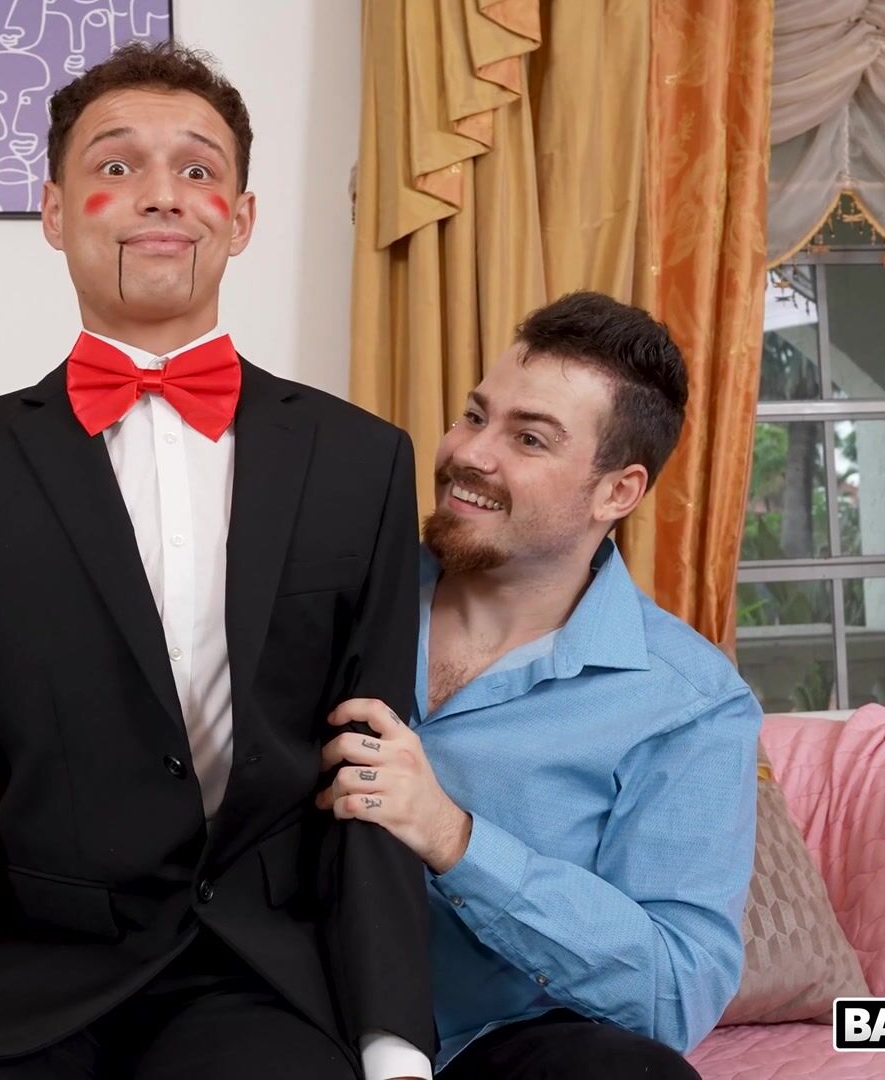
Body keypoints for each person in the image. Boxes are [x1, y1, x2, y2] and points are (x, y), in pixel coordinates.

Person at [0, 42, 435, 1080]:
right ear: (54, 213)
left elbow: (371, 773)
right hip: (27, 973)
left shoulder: (364, 462)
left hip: (255, 978)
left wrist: (393, 1042)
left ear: (241, 218)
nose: (161, 195)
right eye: (116, 165)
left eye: (197, 169)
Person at [317, 292, 761, 1078]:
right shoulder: (334, 596)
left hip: (501, 1051)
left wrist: (457, 841)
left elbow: (674, 993)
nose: (471, 454)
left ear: (616, 492)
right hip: (293, 1019)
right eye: (474, 415)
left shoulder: (688, 702)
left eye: (528, 438)